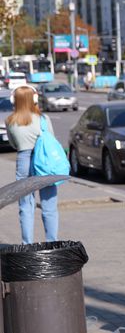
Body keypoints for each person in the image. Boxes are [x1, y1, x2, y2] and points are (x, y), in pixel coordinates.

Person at [6, 85, 59, 244]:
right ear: (34, 99)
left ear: (14, 101)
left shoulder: (10, 121)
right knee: (49, 205)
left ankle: (27, 244)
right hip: (43, 161)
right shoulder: (43, 119)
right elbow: (51, 141)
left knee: (25, 205)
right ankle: (51, 242)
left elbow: (13, 144)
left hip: (23, 159)